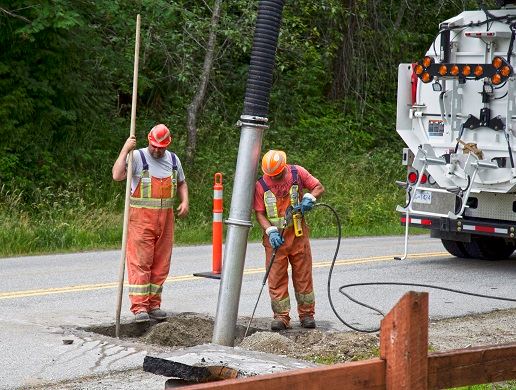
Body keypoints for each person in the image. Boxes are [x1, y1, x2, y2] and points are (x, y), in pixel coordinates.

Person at [112, 124, 189, 322]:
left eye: (161, 147)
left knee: (161, 264)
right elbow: (117, 175)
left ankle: (154, 304)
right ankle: (139, 307)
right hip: (140, 220)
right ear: (149, 140)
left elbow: (181, 182)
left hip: (166, 220)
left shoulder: (173, 160)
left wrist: (185, 201)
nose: (157, 149)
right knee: (141, 263)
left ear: (167, 145)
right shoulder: (138, 157)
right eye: (154, 145)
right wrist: (125, 150)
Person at [253, 150, 325, 331]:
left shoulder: (297, 173)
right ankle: (281, 317)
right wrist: (270, 230)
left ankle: (307, 314)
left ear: (283, 167)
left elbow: (318, 187)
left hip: (297, 235)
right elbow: (259, 213)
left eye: (277, 174)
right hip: (275, 240)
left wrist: (310, 197)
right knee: (276, 278)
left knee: (303, 276)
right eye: (271, 175)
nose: (275, 178)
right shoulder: (261, 185)